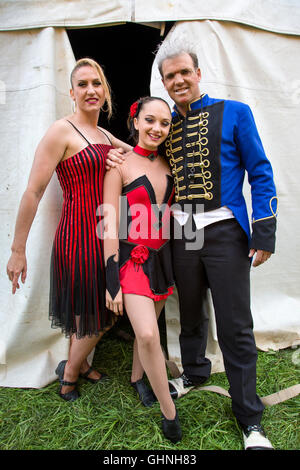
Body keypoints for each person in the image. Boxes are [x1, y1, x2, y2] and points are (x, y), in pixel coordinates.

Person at [106, 46, 278, 450]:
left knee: (235, 325)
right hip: (182, 234)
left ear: (198, 73)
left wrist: (264, 231)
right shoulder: (167, 126)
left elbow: (261, 170)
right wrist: (123, 151)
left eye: (185, 72)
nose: (179, 81)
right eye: (170, 77)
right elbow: (146, 153)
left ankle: (250, 420)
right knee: (189, 311)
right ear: (163, 83)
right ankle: (196, 371)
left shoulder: (235, 112)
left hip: (222, 232)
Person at [6, 58, 131, 401]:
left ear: (105, 91)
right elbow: (33, 191)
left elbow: (138, 157)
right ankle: (70, 376)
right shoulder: (61, 130)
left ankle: (79, 363)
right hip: (76, 235)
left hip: (105, 233)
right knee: (97, 311)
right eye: (83, 84)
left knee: (97, 310)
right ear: (72, 93)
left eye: (97, 83)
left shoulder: (105, 134)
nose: (91, 90)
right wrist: (18, 250)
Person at [103, 96, 182, 444]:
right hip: (130, 261)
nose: (157, 129)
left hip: (164, 259)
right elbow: (107, 224)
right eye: (150, 120)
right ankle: (170, 412)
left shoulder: (170, 164)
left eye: (164, 123)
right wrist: (111, 282)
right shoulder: (118, 166)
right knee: (150, 335)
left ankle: (138, 378)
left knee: (144, 330)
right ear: (136, 121)